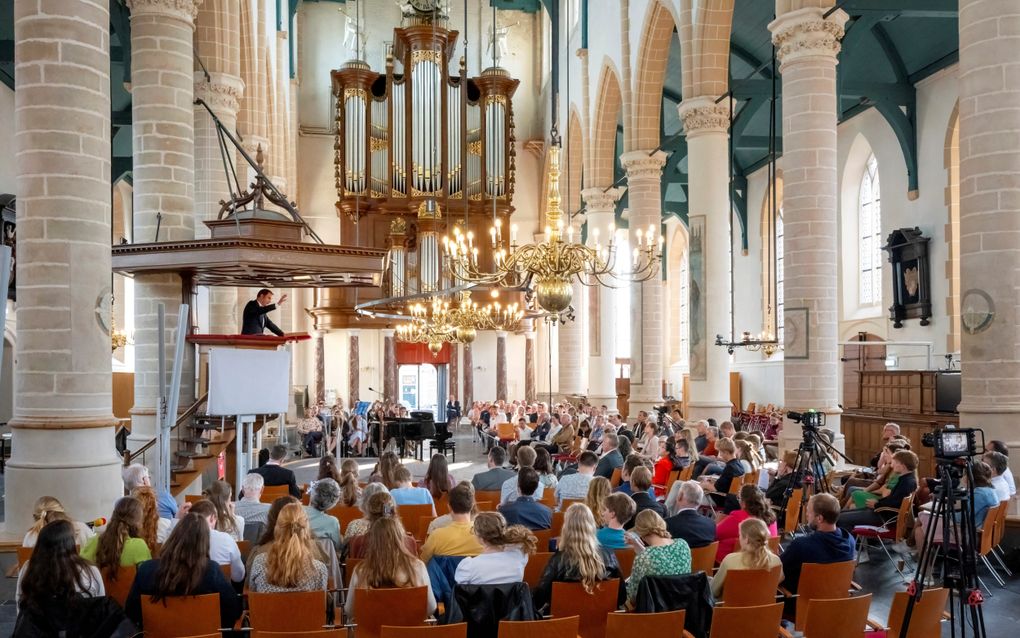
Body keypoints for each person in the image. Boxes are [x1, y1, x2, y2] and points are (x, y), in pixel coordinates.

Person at [125, 513, 241, 629]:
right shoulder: (211, 571)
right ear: (204, 542)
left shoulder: (146, 570)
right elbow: (233, 610)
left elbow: (131, 612)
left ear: (174, 536)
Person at [532, 503, 624, 613]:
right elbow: (622, 597)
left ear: (566, 527)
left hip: (563, 625)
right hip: (600, 624)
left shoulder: (557, 560)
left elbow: (539, 599)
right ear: (591, 526)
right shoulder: (609, 556)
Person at [344, 517, 437, 621]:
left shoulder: (360, 570)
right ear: (400, 538)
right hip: (410, 632)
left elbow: (350, 611)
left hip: (371, 633)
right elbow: (431, 608)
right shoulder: (418, 567)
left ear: (372, 541)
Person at [16, 520, 104, 615]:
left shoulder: (29, 568)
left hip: (38, 628)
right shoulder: (90, 571)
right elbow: (100, 608)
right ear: (71, 544)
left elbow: (20, 606)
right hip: (80, 627)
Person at [781, 494, 856, 594]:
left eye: (808, 511)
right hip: (835, 601)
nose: (806, 514)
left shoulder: (801, 545)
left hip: (802, 604)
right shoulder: (850, 540)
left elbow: (779, 570)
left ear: (819, 518)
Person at [248, 503, 328, 593]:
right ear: (306, 530)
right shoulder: (318, 569)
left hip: (268, 607)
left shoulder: (259, 562)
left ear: (277, 529)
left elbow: (252, 595)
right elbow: (322, 603)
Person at [837, 450, 918, 532]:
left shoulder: (907, 482)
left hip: (883, 516)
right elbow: (893, 499)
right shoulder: (908, 479)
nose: (892, 466)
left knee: (839, 518)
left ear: (902, 465)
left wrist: (876, 504)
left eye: (895, 462)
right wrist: (877, 503)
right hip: (882, 511)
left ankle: (847, 542)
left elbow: (895, 504)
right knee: (840, 515)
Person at [625, 510, 692, 606]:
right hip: (683, 606)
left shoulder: (645, 556)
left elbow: (633, 596)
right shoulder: (683, 544)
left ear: (640, 533)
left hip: (654, 611)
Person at [455, 512, 538, 585]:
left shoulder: (468, 567)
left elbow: (461, 593)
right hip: (511, 603)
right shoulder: (519, 554)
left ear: (480, 537)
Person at [79, 496, 151, 578]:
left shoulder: (93, 542)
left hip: (97, 590)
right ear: (138, 522)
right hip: (129, 591)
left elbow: (82, 572)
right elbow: (148, 578)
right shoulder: (139, 546)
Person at [711, 518, 783, 598]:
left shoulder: (730, 560)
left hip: (731, 608)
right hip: (763, 608)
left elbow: (714, 591)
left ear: (747, 540)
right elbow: (779, 579)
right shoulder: (776, 561)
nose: (739, 538)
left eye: (740, 535)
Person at [419, 483, 483, 562]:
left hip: (444, 574)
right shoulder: (484, 534)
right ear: (473, 505)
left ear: (449, 506)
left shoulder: (436, 536)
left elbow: (424, 560)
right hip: (476, 574)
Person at [345, 491, 418, 559]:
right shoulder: (409, 543)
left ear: (369, 514)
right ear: (394, 512)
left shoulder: (357, 542)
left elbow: (352, 568)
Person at [715, 485, 778, 562]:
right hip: (764, 561)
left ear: (744, 503)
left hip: (737, 561)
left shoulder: (738, 517)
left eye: (739, 499)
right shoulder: (771, 517)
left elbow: (715, 533)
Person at [188, 500, 245, 583]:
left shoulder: (178, 540)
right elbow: (238, 577)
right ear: (212, 518)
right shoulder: (226, 539)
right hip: (220, 593)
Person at [22, 496, 94, 548]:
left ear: (35, 516)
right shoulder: (82, 529)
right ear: (62, 511)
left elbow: (24, 565)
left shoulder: (30, 536)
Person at [664, 481, 716, 549]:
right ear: (700, 501)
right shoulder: (711, 524)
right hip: (703, 559)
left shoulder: (668, 524)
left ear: (680, 496)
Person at [305, 478, 342, 551]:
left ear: (313, 493)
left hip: (296, 556)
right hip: (323, 560)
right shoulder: (332, 522)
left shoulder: (295, 511)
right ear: (333, 502)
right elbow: (337, 547)